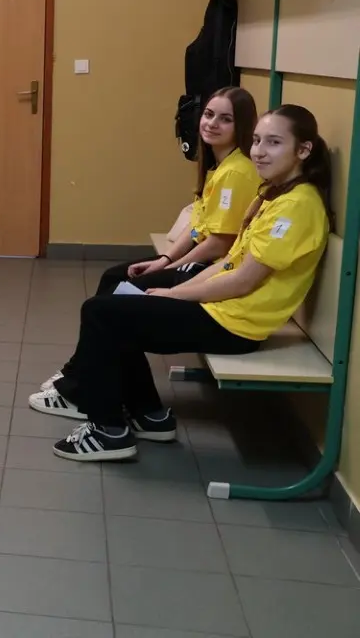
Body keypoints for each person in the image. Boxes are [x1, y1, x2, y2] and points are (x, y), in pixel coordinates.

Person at [28, 105, 332, 461]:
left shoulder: (297, 206)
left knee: (102, 314)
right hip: (224, 311)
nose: (259, 152)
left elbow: (241, 281)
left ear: (303, 150)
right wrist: (173, 292)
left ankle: (108, 431)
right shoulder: (275, 194)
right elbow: (228, 264)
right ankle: (148, 416)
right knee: (114, 309)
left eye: (274, 142)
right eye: (257, 141)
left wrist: (174, 295)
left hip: (236, 326)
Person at [31, 87, 260, 416]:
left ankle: (82, 384)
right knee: (113, 279)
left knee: (109, 308)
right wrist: (164, 260)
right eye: (209, 114)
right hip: (202, 264)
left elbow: (220, 243)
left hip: (208, 272)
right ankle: (81, 371)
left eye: (226, 119)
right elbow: (197, 227)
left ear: (242, 126)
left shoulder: (237, 171)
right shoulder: (219, 165)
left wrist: (170, 267)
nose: (212, 123)